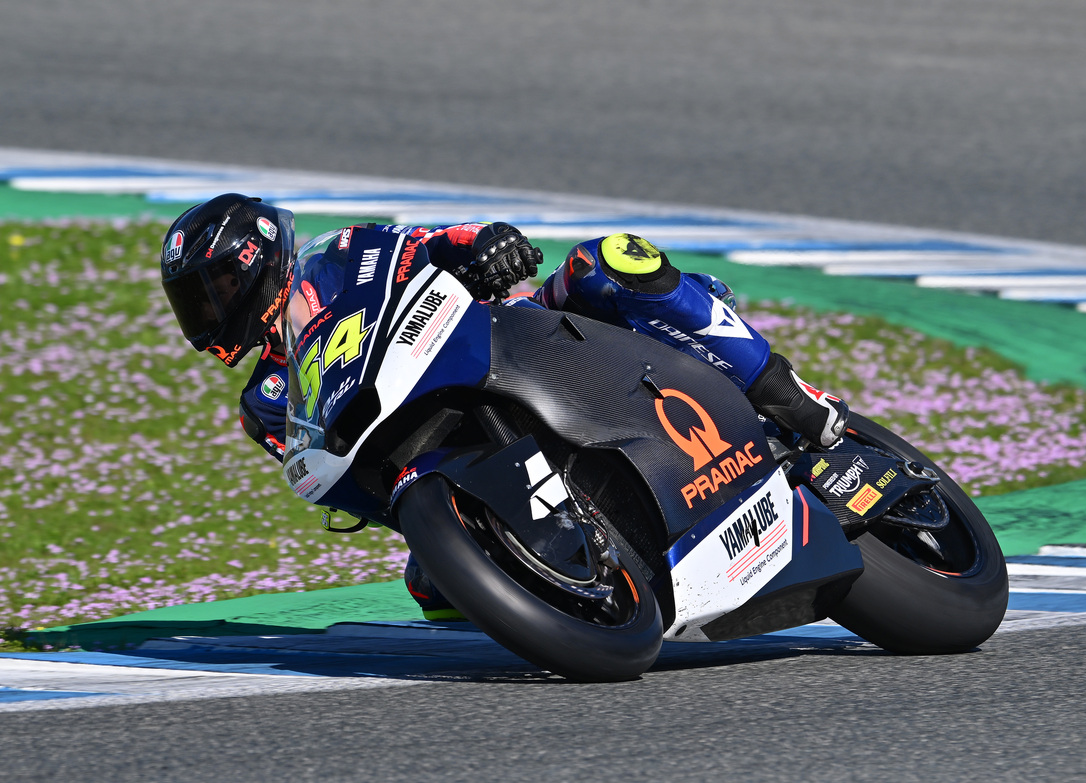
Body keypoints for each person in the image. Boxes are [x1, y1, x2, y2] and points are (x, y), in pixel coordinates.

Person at [160, 193, 848, 618]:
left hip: (515, 342)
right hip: (436, 455)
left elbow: (430, 243)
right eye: (195, 301)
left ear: (256, 259)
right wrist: (436, 535)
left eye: (215, 288)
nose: (209, 310)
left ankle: (783, 392)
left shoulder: (345, 253)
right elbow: (334, 476)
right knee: (435, 594)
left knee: (608, 260)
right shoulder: (263, 401)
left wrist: (486, 243)